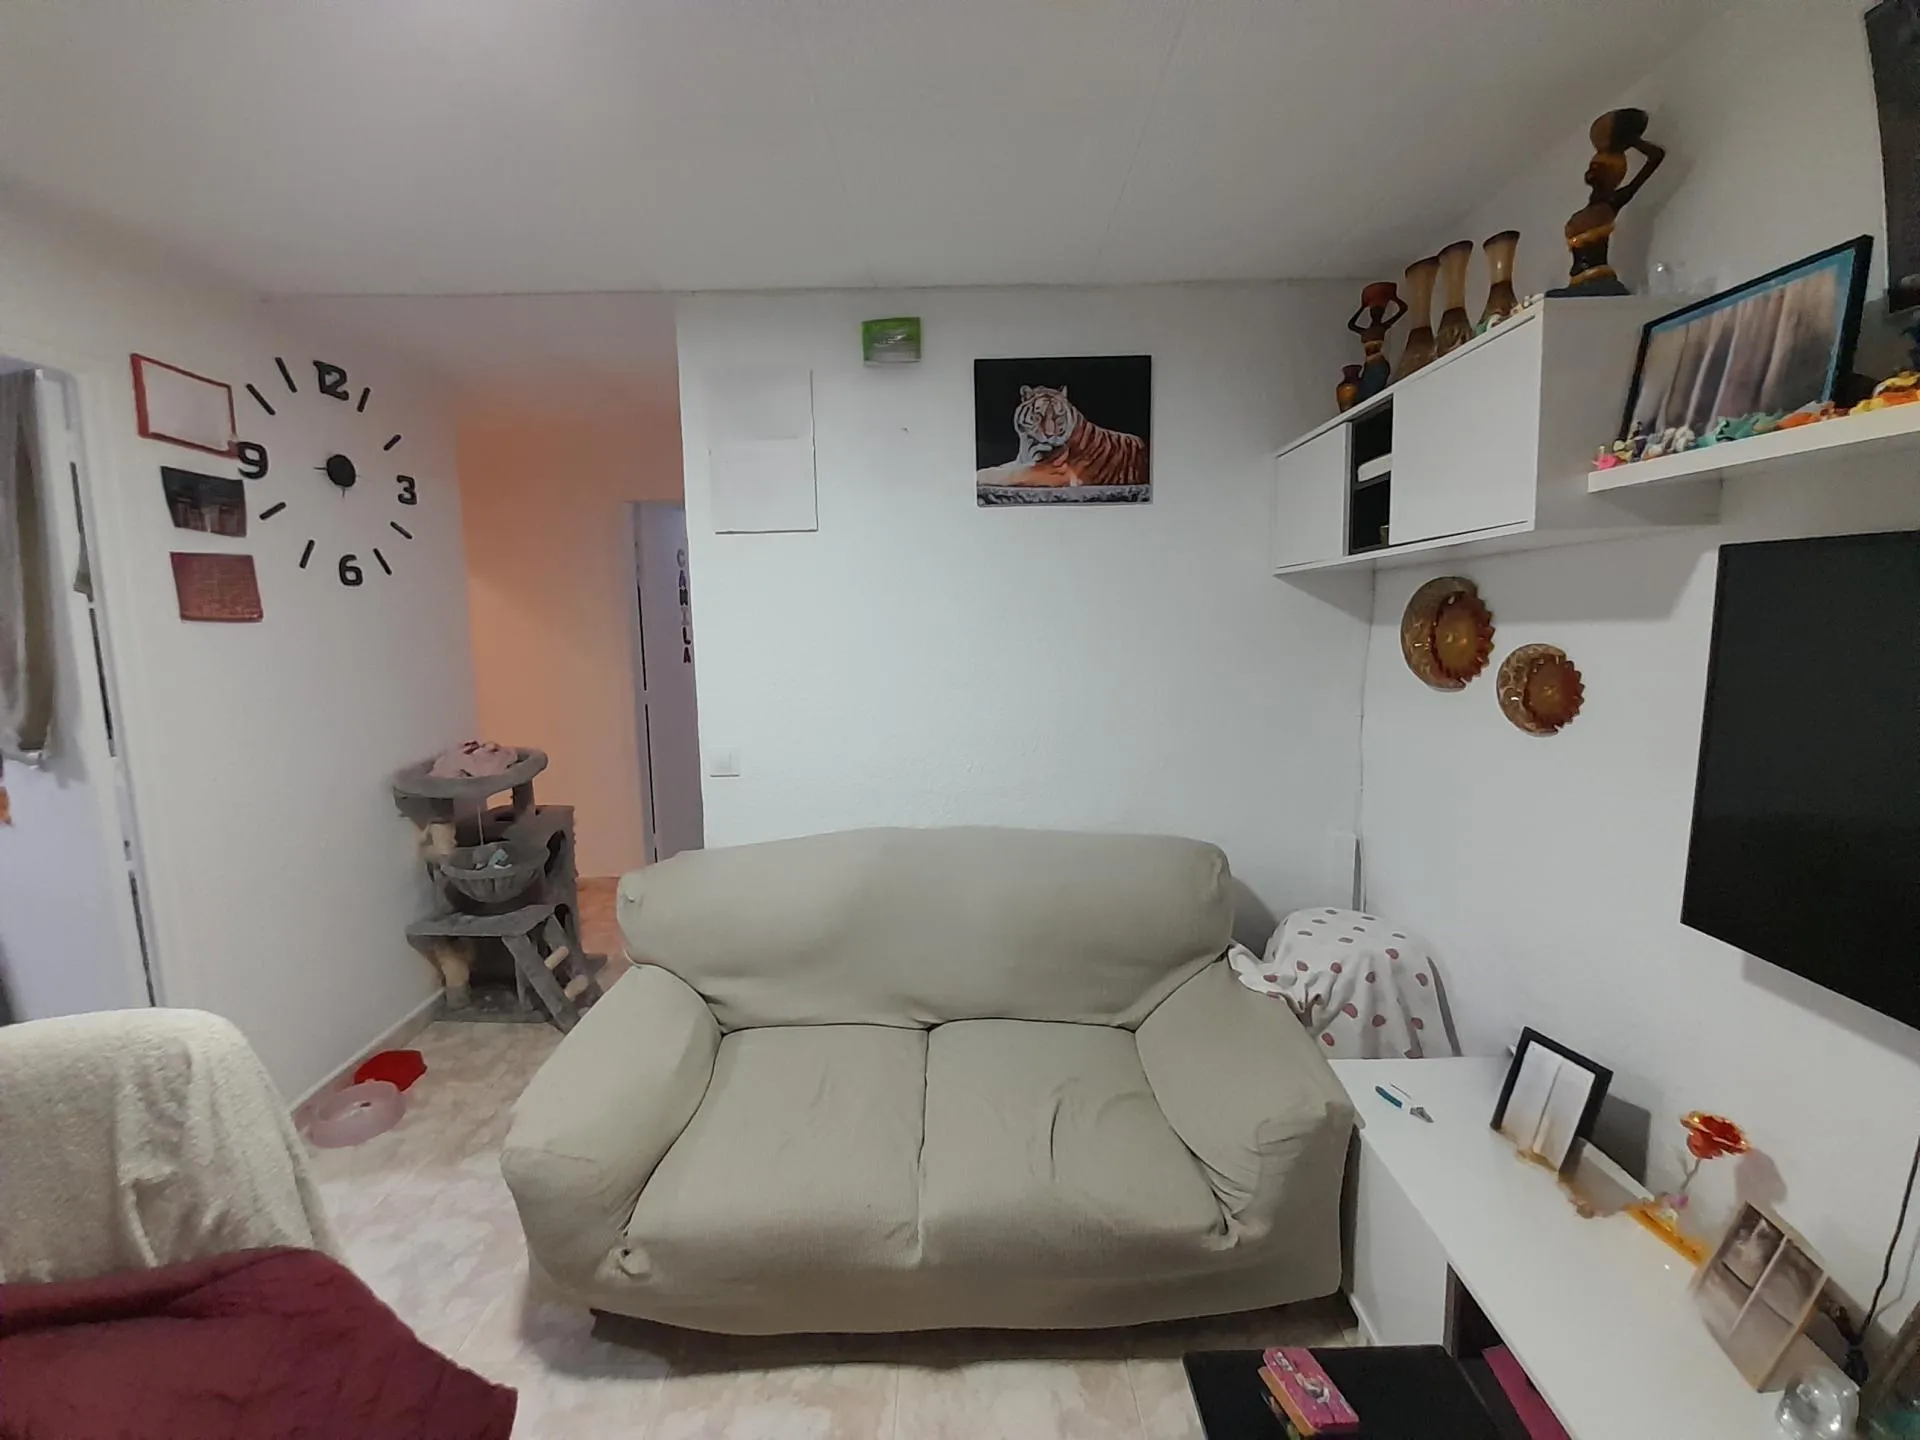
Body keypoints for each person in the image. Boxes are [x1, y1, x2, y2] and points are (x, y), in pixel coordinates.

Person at [1550, 109, 1666, 296]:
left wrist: (1632, 140)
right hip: (1577, 282)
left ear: (1610, 173)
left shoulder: (1612, 201)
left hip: (1598, 279)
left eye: (1597, 167)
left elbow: (1655, 156)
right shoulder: (1589, 209)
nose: (1590, 170)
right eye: (1591, 166)